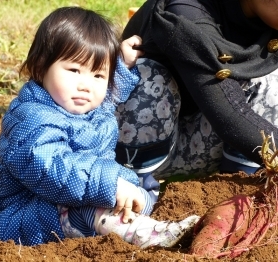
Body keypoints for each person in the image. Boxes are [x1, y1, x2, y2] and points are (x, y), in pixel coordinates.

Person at [0, 6, 199, 247]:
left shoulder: (85, 104)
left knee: (142, 189)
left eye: (98, 75)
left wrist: (120, 63)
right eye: (74, 70)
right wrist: (112, 184)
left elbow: (108, 94)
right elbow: (51, 167)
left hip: (79, 193)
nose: (85, 85)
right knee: (94, 206)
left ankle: (140, 222)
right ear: (39, 68)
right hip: (25, 217)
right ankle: (150, 237)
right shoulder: (32, 117)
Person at [115, 0, 278, 182]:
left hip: (205, 142)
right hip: (145, 144)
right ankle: (137, 190)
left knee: (271, 79)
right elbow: (229, 112)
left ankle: (239, 185)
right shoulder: (186, 10)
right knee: (147, 77)